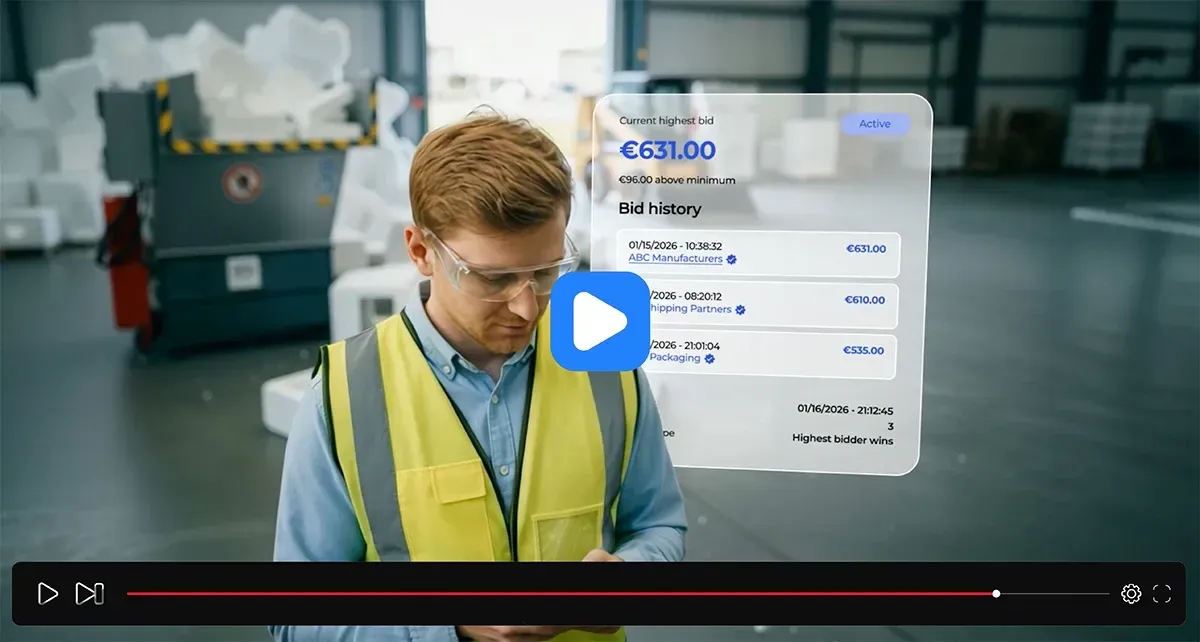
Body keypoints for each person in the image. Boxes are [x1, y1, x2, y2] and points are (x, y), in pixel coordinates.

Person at [270, 112, 688, 642]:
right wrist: (450, 624)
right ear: (421, 251)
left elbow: (659, 524)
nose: (525, 306)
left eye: (545, 272)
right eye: (493, 278)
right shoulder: (343, 398)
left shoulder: (605, 360)